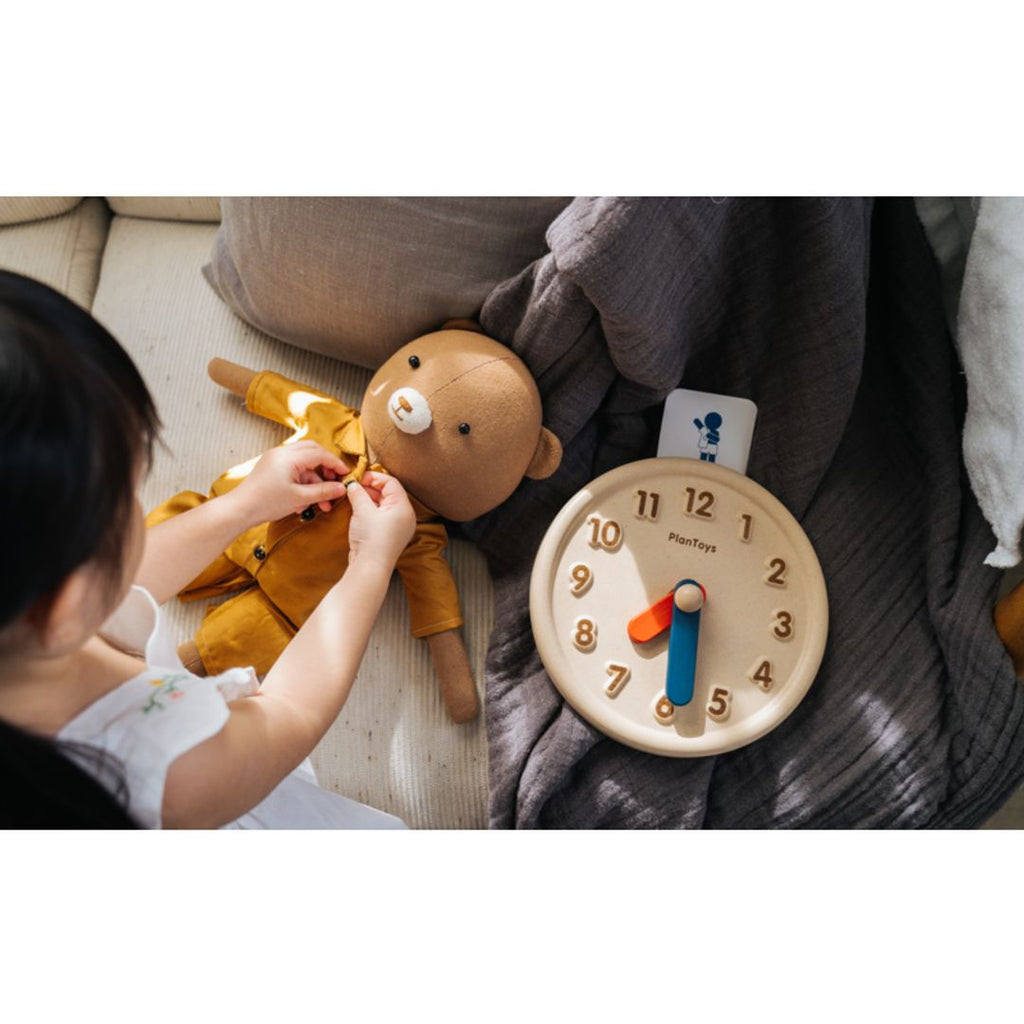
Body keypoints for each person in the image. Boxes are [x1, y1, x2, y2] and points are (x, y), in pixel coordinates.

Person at [0, 270, 417, 828]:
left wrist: (244, 505)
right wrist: (370, 563)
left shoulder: (26, 625)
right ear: (62, 602)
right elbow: (289, 711)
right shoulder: (168, 776)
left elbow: (127, 582)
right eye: (125, 497)